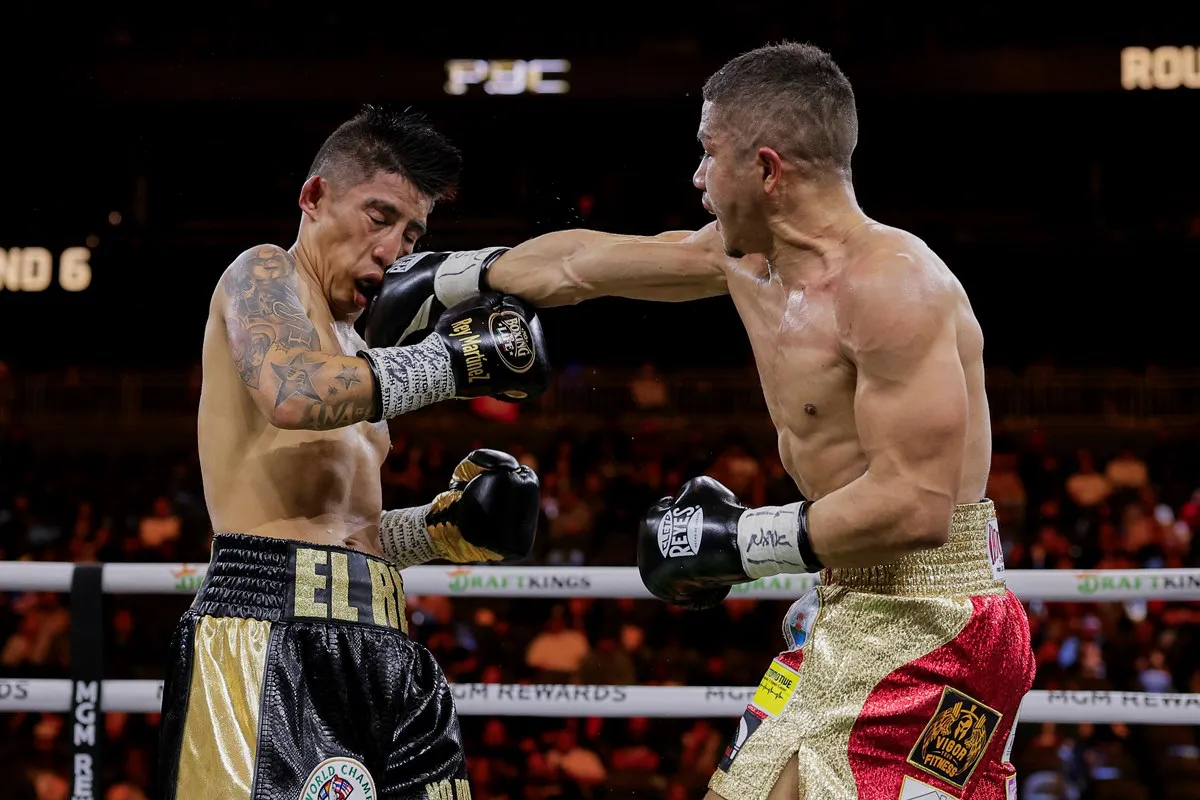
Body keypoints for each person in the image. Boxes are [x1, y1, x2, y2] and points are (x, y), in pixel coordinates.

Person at [367, 43, 1035, 800]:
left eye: (709, 153)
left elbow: (916, 506)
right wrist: (454, 277)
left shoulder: (893, 288)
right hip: (843, 598)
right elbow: (581, 265)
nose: (696, 177)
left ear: (768, 170)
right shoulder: (746, 262)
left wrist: (737, 542)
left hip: (935, 619)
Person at [157, 105, 551, 800]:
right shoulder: (261, 274)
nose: (394, 250)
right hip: (267, 632)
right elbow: (292, 392)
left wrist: (437, 530)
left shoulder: (361, 351)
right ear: (314, 197)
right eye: (380, 218)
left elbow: (344, 531)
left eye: (412, 234)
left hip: (386, 641)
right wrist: (449, 363)